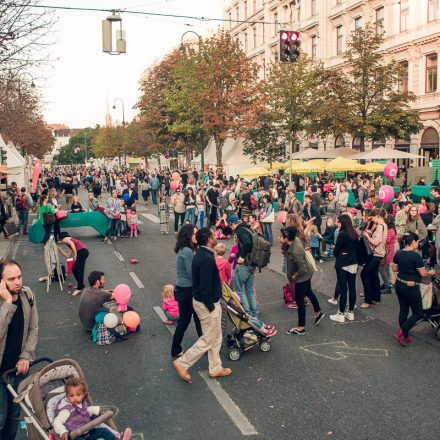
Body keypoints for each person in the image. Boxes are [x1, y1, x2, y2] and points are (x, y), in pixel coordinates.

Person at [173, 227, 232, 383]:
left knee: (216, 335)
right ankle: (182, 363)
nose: (216, 235)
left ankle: (215, 368)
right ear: (209, 239)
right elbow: (205, 287)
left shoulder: (201, 253)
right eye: (213, 234)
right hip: (207, 303)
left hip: (203, 301)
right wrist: (212, 306)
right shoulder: (205, 258)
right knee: (208, 339)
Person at [0, 260, 38, 439]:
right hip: (0, 372)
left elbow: (33, 328)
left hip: (17, 370)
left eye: (19, 277)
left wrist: (25, 356)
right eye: (11, 279)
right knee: (0, 418)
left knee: (14, 417)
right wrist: (7, 304)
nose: (18, 282)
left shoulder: (28, 295)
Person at [53, 377, 132, 440]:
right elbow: (57, 421)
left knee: (104, 431)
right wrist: (63, 432)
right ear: (67, 396)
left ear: (83, 394)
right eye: (71, 396)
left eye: (78, 394)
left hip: (89, 431)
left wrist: (99, 409)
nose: (75, 398)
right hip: (76, 436)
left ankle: (117, 439)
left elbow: (88, 411)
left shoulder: (82, 404)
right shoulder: (66, 410)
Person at [392, 233, 435, 346]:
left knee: (403, 310)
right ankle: (402, 332)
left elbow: (395, 268)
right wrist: (431, 272)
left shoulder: (398, 253)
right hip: (411, 286)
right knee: (418, 313)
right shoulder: (415, 256)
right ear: (413, 243)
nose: (418, 244)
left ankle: (404, 335)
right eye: (417, 242)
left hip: (399, 284)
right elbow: (423, 273)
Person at [281, 227, 324, 335]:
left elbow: (302, 269)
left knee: (299, 301)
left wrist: (295, 275)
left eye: (280, 236)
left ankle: (301, 327)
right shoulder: (295, 240)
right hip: (307, 274)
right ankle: (318, 312)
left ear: (286, 238)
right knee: (308, 291)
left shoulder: (295, 251)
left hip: (302, 276)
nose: (278, 238)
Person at [171, 224, 202, 358]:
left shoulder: (185, 249)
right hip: (187, 290)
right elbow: (192, 273)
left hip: (183, 289)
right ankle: (175, 348)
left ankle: (204, 343)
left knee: (197, 317)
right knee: (185, 320)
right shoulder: (187, 251)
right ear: (188, 236)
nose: (197, 236)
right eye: (194, 234)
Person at [330, 214, 359, 323]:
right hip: (354, 262)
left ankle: (341, 313)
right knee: (352, 287)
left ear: (342, 223)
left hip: (343, 262)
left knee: (343, 287)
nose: (337, 223)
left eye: (338, 221)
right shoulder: (355, 233)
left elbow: (336, 250)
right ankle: (350, 312)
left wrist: (336, 252)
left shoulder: (343, 234)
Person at [228, 215, 257, 317]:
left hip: (244, 264)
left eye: (231, 225)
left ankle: (248, 314)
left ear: (233, 224)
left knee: (238, 290)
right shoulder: (247, 228)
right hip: (252, 263)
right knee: (249, 291)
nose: (231, 228)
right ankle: (254, 314)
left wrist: (242, 256)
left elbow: (247, 243)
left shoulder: (240, 231)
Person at [360, 208, 388, 309]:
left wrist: (367, 236)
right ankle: (376, 298)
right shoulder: (384, 225)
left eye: (373, 218)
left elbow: (376, 242)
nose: (372, 220)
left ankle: (368, 299)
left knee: (364, 274)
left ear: (377, 216)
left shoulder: (380, 226)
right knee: (374, 275)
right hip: (379, 254)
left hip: (376, 254)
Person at [58, 232, 89, 296]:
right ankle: (81, 285)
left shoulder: (65, 239)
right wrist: (61, 251)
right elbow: (68, 256)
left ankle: (80, 288)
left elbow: (72, 244)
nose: (60, 242)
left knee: (79, 270)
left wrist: (75, 254)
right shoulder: (69, 242)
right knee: (74, 268)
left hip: (82, 252)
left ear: (61, 238)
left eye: (59, 240)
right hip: (83, 252)